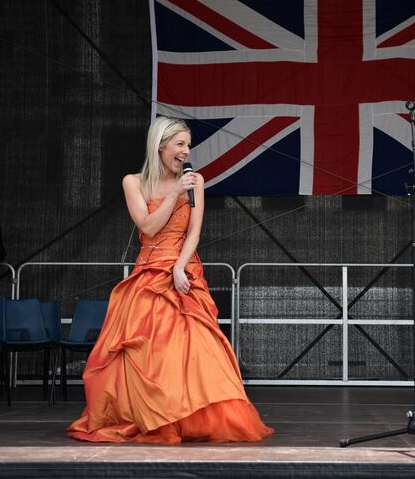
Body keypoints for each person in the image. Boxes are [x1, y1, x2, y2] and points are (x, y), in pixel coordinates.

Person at [67, 116, 272, 444]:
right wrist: (175, 192)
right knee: (148, 348)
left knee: (196, 347)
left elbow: (194, 231)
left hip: (183, 268)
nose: (186, 152)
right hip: (149, 270)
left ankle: (191, 416)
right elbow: (147, 227)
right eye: (180, 144)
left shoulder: (197, 181)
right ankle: (151, 416)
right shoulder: (134, 182)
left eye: (188, 145)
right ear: (160, 146)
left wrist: (179, 267)